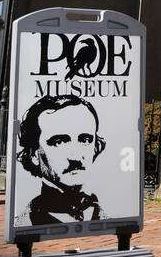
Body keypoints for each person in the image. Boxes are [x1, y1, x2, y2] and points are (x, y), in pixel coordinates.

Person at [15, 93, 107, 226]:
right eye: (58, 142)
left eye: (85, 140)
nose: (75, 157)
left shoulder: (102, 214)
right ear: (34, 153)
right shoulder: (25, 223)